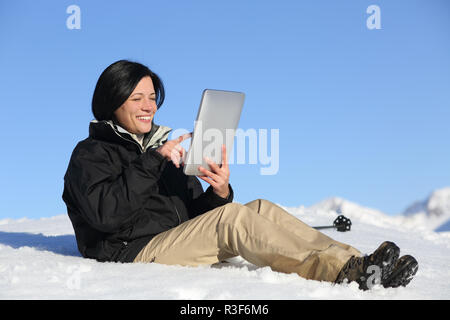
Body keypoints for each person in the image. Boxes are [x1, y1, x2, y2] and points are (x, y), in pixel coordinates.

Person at [62, 59, 418, 290]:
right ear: (113, 101)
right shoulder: (91, 153)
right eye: (136, 97)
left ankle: (361, 262)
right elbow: (106, 215)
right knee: (232, 219)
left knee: (258, 207)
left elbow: (192, 218)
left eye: (152, 97)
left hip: (171, 241)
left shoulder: (163, 149)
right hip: (130, 252)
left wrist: (217, 192)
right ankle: (345, 273)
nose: (148, 106)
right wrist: (154, 161)